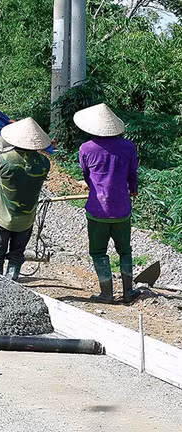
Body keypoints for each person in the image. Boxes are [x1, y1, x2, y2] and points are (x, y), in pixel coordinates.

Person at [74, 103, 141, 304]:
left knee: (98, 252)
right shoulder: (128, 147)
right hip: (122, 209)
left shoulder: (86, 148)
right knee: (125, 250)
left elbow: (86, 176)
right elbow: (132, 175)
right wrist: (133, 189)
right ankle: (128, 292)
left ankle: (106, 293)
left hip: (97, 211)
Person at [0, 117, 52, 281]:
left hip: (1, 216)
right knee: (17, 253)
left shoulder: (3, 160)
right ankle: (12, 279)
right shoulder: (44, 163)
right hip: (26, 219)